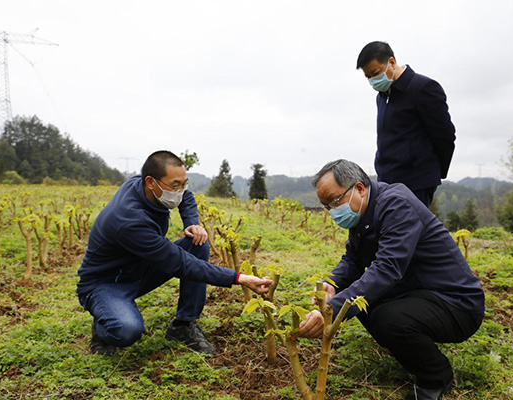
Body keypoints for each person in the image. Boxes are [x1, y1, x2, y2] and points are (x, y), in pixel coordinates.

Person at [299, 159, 484, 400]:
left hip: (456, 304)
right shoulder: (363, 211)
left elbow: (387, 269)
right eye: (327, 206)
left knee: (386, 318)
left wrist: (332, 309)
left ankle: (436, 377)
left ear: (359, 188)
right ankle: (410, 351)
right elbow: (353, 260)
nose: (333, 212)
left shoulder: (396, 205)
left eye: (334, 201)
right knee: (362, 305)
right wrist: (332, 284)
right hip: (418, 291)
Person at [76, 150, 271, 356]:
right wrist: (239, 278)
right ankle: (103, 325)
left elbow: (186, 197)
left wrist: (193, 224)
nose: (180, 191)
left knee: (198, 243)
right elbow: (181, 263)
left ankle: (184, 325)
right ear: (151, 182)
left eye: (183, 183)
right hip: (106, 283)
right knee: (126, 331)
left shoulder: (141, 184)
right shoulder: (129, 221)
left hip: (140, 269)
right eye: (174, 186)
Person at [357, 41, 456, 207]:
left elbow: (445, 136)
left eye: (375, 73)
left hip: (415, 184)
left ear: (392, 62)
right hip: (387, 182)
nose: (373, 80)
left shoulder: (423, 88)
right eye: (368, 77)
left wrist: (432, 173)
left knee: (410, 232)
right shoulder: (382, 95)